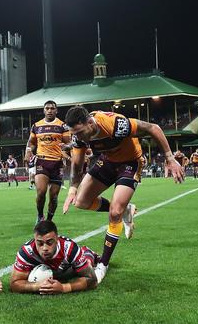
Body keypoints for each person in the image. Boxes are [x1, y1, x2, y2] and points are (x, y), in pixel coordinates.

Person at [62, 105, 184, 283]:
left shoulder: (116, 124)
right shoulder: (79, 136)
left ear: (89, 122)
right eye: (75, 133)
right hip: (108, 161)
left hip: (130, 163)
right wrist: (73, 188)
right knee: (81, 202)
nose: (78, 137)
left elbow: (153, 128)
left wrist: (170, 158)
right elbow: (77, 163)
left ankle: (103, 264)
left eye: (80, 132)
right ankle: (126, 209)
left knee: (114, 213)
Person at [10, 220, 98, 294]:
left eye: (49, 242)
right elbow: (14, 284)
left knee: (88, 263)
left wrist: (64, 288)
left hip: (67, 270)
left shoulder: (70, 249)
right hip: (55, 272)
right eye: (40, 243)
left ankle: (88, 253)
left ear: (56, 239)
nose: (44, 248)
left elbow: (93, 280)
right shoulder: (27, 252)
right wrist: (37, 286)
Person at [24, 100, 71, 223]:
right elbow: (31, 142)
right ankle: (40, 216)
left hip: (57, 163)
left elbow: (69, 143)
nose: (49, 110)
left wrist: (67, 150)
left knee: (54, 197)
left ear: (56, 110)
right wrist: (28, 152)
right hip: (42, 161)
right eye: (47, 108)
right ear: (43, 110)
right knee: (41, 192)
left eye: (52, 108)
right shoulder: (36, 126)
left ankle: (49, 220)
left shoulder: (62, 126)